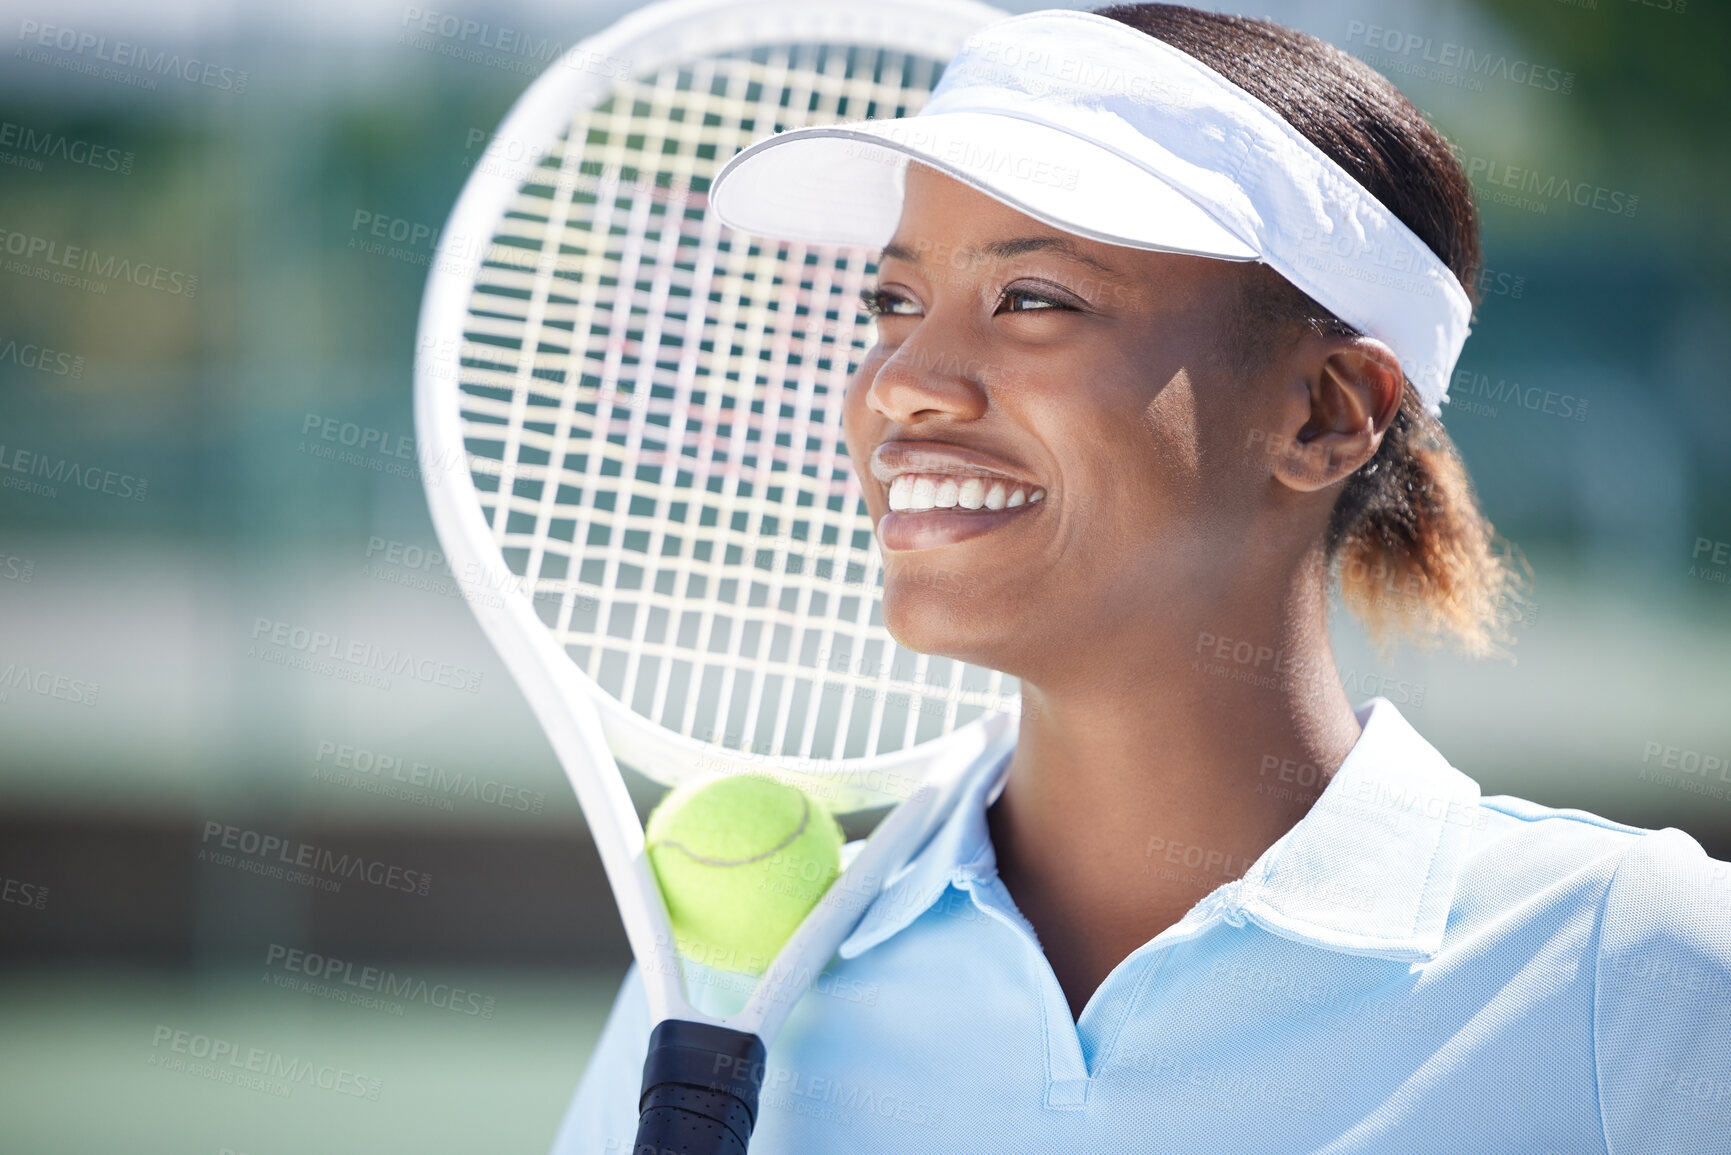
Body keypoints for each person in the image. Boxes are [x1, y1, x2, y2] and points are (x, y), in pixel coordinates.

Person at [554, 6, 1731, 1152]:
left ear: (1327, 412)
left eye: (1034, 300)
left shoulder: (1628, 965)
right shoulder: (733, 1000)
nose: (902, 382)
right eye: (893, 302)